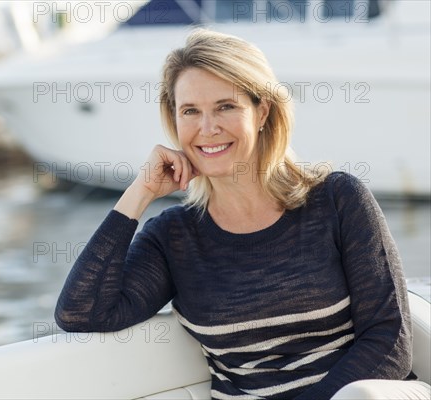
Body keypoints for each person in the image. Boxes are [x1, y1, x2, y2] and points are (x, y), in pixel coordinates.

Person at [54, 29, 429, 399]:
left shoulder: (336, 199)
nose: (207, 128)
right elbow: (82, 312)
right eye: (190, 111)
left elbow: (389, 341)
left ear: (262, 110)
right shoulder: (174, 237)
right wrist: (141, 192)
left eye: (225, 106)